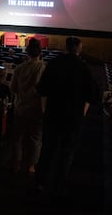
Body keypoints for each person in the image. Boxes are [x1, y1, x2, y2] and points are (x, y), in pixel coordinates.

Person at [35, 36, 98, 200]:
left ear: (66, 47)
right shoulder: (84, 68)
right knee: (66, 153)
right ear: (79, 48)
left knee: (47, 149)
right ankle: (58, 187)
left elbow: (41, 89)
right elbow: (94, 97)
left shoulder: (53, 64)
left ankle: (39, 182)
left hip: (53, 115)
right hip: (73, 118)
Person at [9, 37, 46, 176]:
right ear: (40, 52)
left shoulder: (19, 68)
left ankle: (16, 164)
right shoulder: (44, 69)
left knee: (17, 138)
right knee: (35, 139)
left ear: (27, 52)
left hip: (20, 108)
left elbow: (12, 89)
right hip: (37, 110)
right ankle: (31, 166)